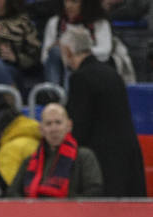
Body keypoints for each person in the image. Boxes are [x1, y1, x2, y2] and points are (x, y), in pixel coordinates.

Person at [61, 27, 146, 197]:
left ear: (68, 51)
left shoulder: (81, 78)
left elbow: (79, 126)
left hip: (103, 160)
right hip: (129, 155)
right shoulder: (112, 72)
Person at [41, 0, 115, 89]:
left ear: (85, 2)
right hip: (59, 70)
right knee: (56, 52)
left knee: (72, 59)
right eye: (66, 0)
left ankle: (70, 95)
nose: (68, 6)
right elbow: (44, 57)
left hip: (92, 72)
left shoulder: (99, 23)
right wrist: (64, 53)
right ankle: (54, 94)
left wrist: (76, 53)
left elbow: (105, 52)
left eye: (74, 1)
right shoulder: (55, 23)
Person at [19, 101, 103, 198]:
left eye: (58, 122)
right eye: (48, 124)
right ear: (41, 129)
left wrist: (65, 204)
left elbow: (94, 191)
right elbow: (13, 193)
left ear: (69, 125)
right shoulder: (30, 161)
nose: (54, 129)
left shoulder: (84, 157)